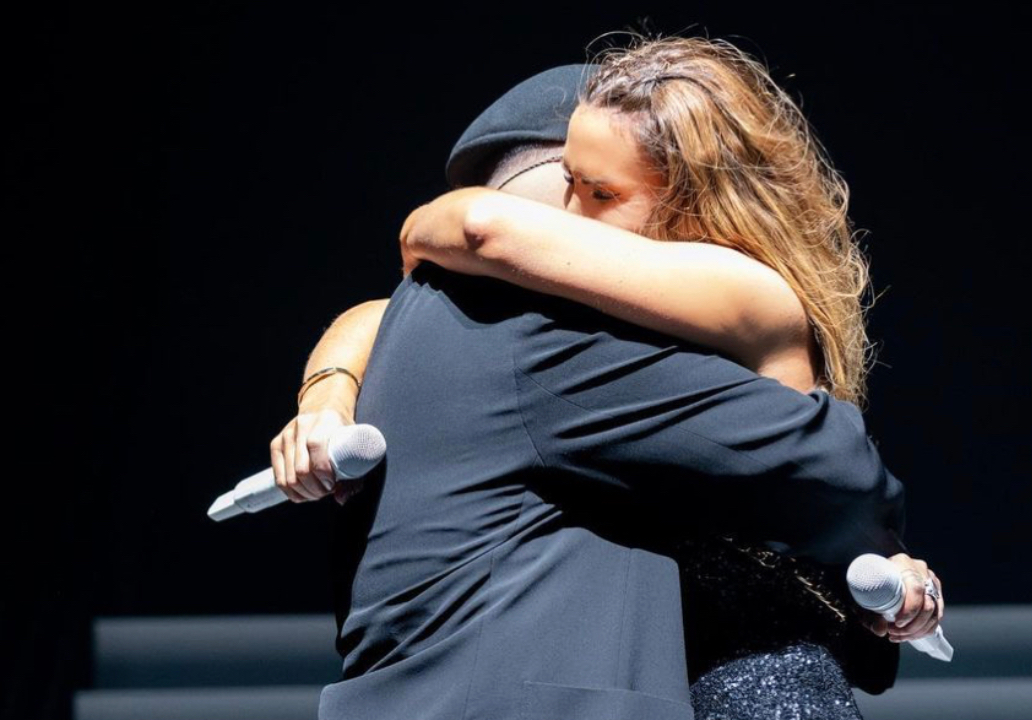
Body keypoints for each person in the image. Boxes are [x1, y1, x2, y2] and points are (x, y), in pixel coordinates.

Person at [276, 58, 938, 720]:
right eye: (563, 186)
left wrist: (885, 564)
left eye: (599, 192)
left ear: (696, 202)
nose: (567, 223)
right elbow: (836, 468)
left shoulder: (700, 331)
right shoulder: (542, 333)